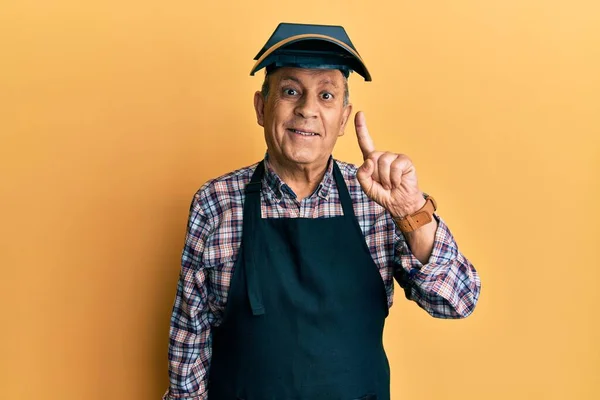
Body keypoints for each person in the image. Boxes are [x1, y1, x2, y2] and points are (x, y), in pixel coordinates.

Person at [163, 22, 481, 400]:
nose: (307, 110)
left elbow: (457, 301)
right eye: (291, 91)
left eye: (326, 95)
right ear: (262, 107)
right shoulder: (216, 202)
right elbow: (190, 337)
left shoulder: (379, 201)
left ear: (343, 119)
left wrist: (412, 213)